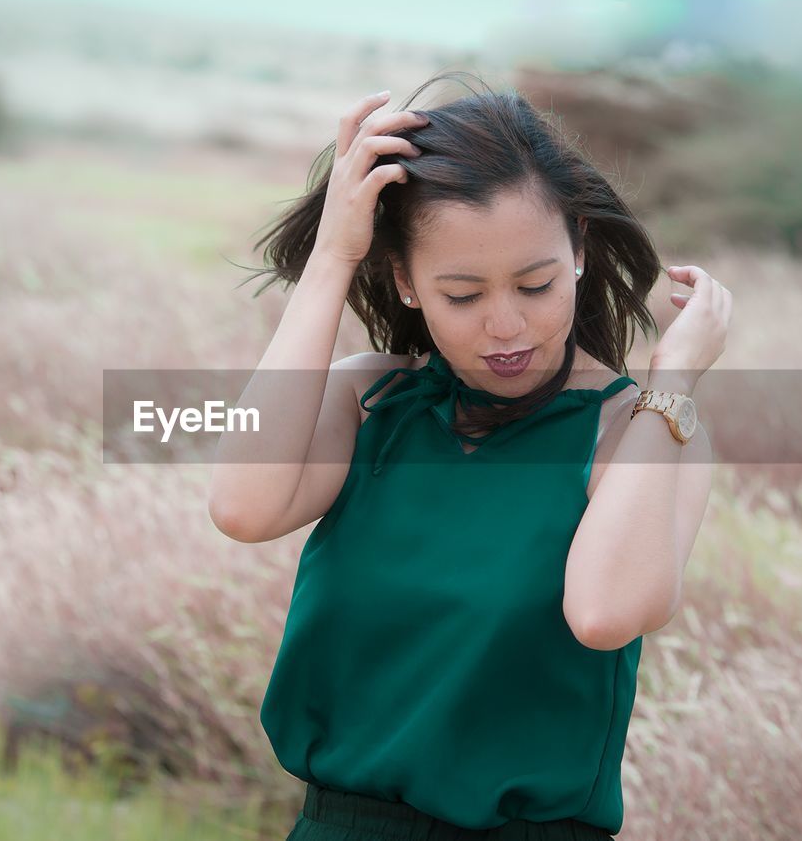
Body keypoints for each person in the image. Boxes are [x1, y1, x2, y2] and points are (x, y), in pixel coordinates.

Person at [209, 72, 729, 840]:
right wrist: (332, 255)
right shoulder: (371, 402)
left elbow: (605, 613)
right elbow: (242, 509)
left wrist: (674, 383)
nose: (506, 326)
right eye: (463, 295)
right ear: (406, 284)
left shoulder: (644, 428)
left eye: (535, 283)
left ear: (579, 251)